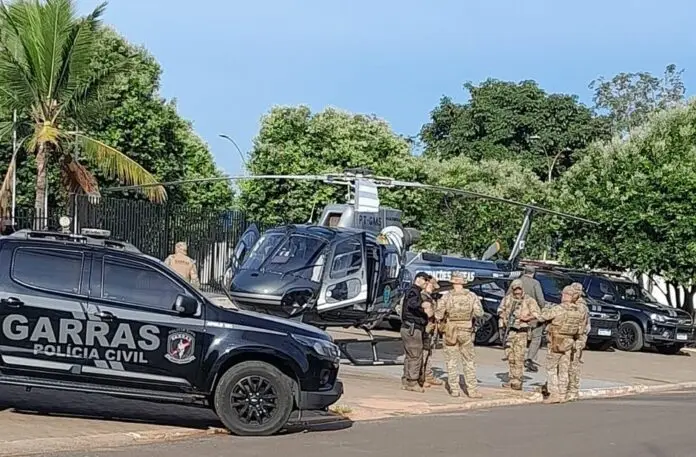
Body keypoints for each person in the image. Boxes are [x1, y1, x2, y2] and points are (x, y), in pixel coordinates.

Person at [533, 285, 589, 404]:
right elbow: (580, 329)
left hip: (556, 342)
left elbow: (542, 317)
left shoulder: (559, 309)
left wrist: (540, 310)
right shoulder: (578, 311)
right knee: (564, 368)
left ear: (566, 295)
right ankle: (563, 394)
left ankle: (554, 393)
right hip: (569, 342)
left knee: (552, 368)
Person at [435, 271, 484, 398]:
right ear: (463, 282)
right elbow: (479, 313)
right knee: (469, 361)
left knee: (451, 361)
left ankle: (454, 389)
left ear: (452, 282)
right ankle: (472, 390)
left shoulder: (446, 296)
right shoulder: (472, 296)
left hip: (450, 330)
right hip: (466, 330)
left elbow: (438, 314)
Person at [498, 279, 540, 390]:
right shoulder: (507, 299)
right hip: (509, 332)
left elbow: (537, 314)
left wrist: (526, 318)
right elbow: (500, 310)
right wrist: (504, 316)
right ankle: (512, 379)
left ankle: (517, 380)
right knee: (510, 356)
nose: (517, 292)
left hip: (521, 331)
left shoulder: (529, 300)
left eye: (519, 289)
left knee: (519, 357)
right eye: (515, 289)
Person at [507, 265, 546, 372]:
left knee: (516, 334)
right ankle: (529, 358)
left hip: (516, 314)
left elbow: (508, 296)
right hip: (531, 314)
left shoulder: (516, 282)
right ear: (533, 273)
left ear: (524, 272)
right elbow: (541, 300)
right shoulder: (535, 283)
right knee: (536, 336)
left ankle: (513, 353)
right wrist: (541, 310)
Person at [401, 272, 432, 392]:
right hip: (412, 328)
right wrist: (423, 305)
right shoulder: (413, 291)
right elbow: (412, 304)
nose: (426, 283)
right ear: (418, 279)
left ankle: (406, 380)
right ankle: (412, 382)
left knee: (410, 356)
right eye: (425, 280)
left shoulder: (415, 291)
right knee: (415, 355)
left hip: (410, 328)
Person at [566, 282, 591, 401]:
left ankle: (573, 390)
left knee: (573, 365)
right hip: (572, 337)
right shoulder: (575, 305)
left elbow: (579, 324)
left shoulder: (580, 307)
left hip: (577, 339)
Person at [421, 277, 443, 388]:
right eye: (433, 286)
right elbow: (428, 314)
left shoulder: (429, 297)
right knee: (422, 354)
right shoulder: (422, 296)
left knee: (428, 353)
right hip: (424, 328)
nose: (434, 289)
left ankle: (428, 375)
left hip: (430, 329)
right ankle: (421, 377)